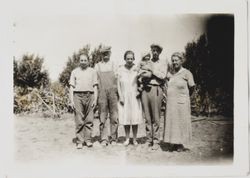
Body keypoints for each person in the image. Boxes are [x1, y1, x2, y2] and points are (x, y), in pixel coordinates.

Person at [163, 52, 195, 152]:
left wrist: (185, 97)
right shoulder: (171, 74)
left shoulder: (187, 73)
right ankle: (173, 143)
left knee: (181, 122)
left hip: (182, 102)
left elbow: (192, 87)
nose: (174, 62)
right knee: (172, 122)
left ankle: (180, 144)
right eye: (172, 60)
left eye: (176, 60)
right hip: (171, 103)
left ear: (181, 61)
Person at [140, 44, 167, 151]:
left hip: (156, 89)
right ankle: (148, 140)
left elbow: (162, 76)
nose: (154, 52)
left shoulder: (163, 63)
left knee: (156, 117)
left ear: (160, 52)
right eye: (153, 50)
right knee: (147, 117)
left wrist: (151, 72)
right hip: (145, 89)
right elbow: (142, 73)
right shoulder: (147, 61)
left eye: (157, 51)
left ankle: (156, 140)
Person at [69, 53, 98, 149]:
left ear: (88, 61)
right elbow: (71, 87)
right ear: (79, 61)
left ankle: (88, 140)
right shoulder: (74, 72)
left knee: (89, 119)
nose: (83, 62)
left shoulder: (92, 71)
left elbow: (95, 86)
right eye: (81, 60)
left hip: (90, 95)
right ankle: (80, 141)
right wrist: (72, 100)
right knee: (79, 120)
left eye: (85, 60)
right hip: (78, 96)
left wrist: (95, 99)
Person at [117, 50, 143, 146]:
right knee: (126, 118)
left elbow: (141, 83)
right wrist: (121, 97)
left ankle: (135, 139)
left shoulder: (137, 69)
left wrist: (139, 91)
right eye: (128, 58)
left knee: (134, 118)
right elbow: (118, 85)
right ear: (124, 59)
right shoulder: (120, 70)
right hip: (124, 96)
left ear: (134, 59)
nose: (129, 60)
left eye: (131, 58)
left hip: (134, 97)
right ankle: (127, 138)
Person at [94, 46, 119, 146]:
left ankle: (113, 138)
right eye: (103, 53)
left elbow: (118, 79)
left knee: (114, 116)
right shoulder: (97, 66)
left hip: (113, 93)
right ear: (101, 54)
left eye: (107, 53)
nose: (105, 55)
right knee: (102, 116)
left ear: (110, 54)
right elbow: (95, 81)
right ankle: (103, 138)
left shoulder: (114, 64)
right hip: (102, 93)